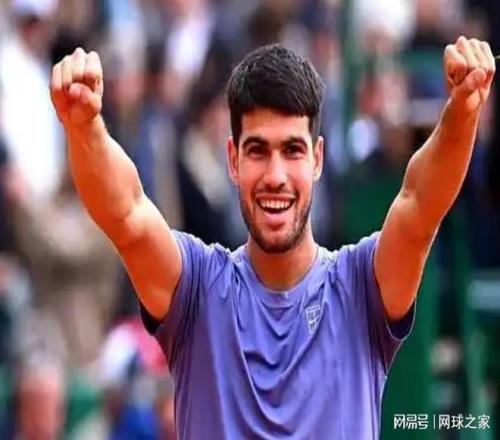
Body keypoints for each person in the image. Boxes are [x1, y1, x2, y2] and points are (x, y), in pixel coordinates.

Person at [49, 38, 495, 438]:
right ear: (233, 160)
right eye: (258, 150)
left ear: (317, 159)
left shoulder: (362, 287)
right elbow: (126, 213)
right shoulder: (196, 287)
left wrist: (463, 108)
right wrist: (85, 125)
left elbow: (420, 206)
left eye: (292, 150)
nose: (276, 175)